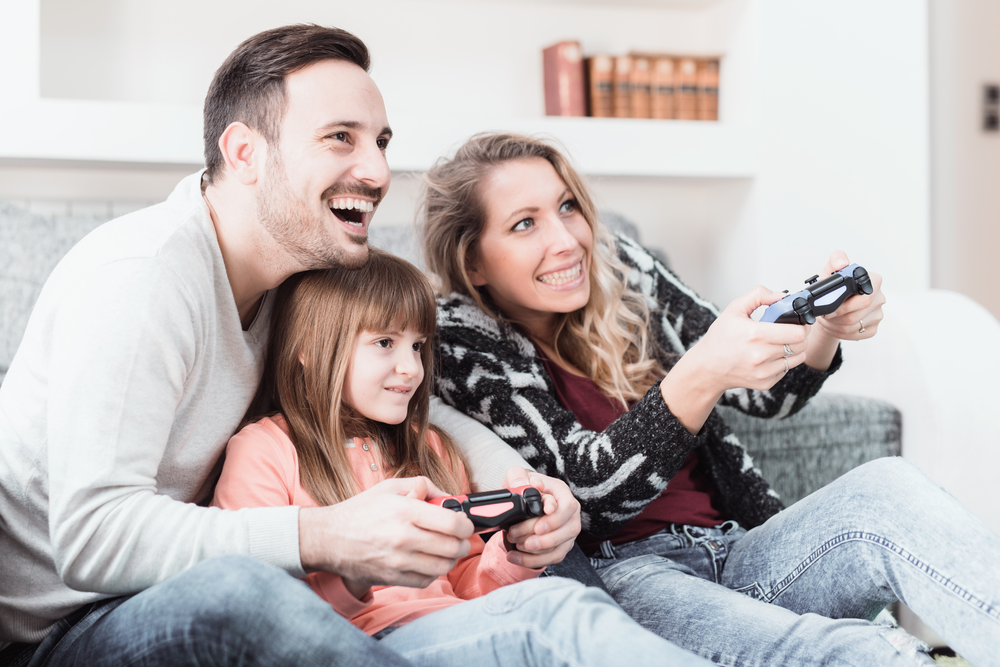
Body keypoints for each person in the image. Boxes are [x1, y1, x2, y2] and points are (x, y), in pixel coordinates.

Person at [0, 28, 572, 666]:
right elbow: (92, 538)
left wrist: (527, 489)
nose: (380, 171)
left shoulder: (292, 280)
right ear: (245, 152)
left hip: (179, 589)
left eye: (381, 143)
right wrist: (328, 536)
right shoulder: (143, 275)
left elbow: (412, 403)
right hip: (68, 625)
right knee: (244, 592)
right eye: (340, 138)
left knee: (566, 581)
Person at [421, 132, 1000, 667]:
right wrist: (702, 370)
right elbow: (585, 491)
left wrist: (824, 327)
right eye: (525, 224)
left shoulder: (622, 272)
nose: (566, 239)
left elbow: (769, 397)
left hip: (739, 547)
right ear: (472, 259)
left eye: (568, 206)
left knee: (889, 490)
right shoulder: (458, 339)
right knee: (848, 650)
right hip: (626, 579)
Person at [211, 248, 713, 666]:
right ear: (310, 349)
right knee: (560, 616)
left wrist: (513, 555)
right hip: (362, 645)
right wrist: (355, 574)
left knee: (556, 601)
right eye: (384, 343)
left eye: (418, 345)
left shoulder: (429, 449)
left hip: (457, 630)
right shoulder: (264, 450)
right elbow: (254, 606)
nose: (410, 368)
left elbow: (468, 586)